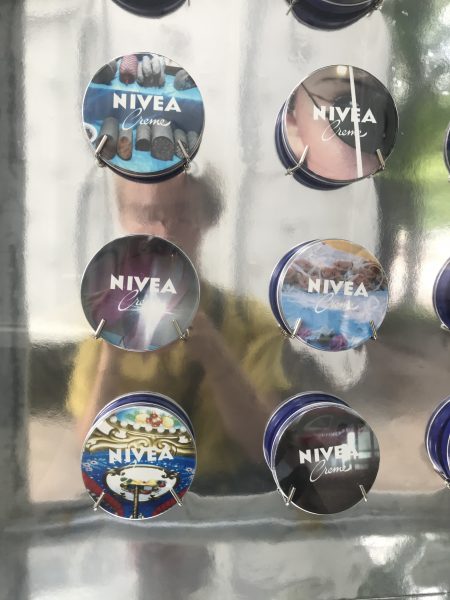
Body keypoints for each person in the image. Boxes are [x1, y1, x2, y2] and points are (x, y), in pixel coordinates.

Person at [68, 168, 294, 494]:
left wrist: (217, 358)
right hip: (137, 491)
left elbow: (265, 447)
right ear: (124, 220)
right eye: (148, 215)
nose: (164, 231)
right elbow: (87, 449)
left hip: (227, 500)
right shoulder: (102, 322)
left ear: (207, 218)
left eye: (182, 215)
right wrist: (111, 357)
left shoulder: (249, 323)